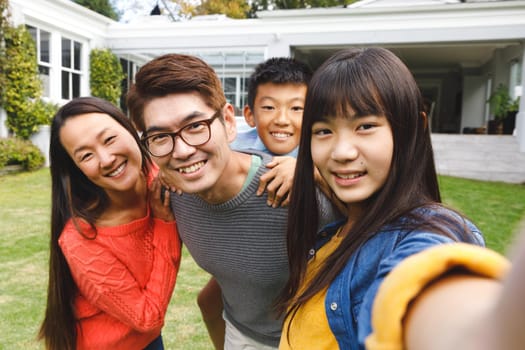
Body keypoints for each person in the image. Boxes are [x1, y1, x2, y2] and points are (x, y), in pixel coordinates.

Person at [275, 47, 513, 350]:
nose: (341, 152)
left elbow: (425, 284)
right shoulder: (332, 232)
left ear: (413, 129)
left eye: (365, 126)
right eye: (323, 131)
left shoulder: (428, 231)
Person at [126, 53, 339, 350]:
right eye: (160, 136)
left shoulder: (295, 192)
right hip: (239, 333)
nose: (183, 150)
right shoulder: (170, 192)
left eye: (195, 126)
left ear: (228, 121)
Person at [38, 97, 181, 350]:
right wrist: (163, 223)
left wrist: (277, 162)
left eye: (109, 139)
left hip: (146, 339)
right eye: (86, 156)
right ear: (76, 169)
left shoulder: (160, 178)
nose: (105, 159)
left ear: (129, 128)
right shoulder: (81, 240)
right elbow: (146, 317)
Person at [197, 56, 313, 349]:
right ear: (249, 115)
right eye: (269, 107)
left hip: (308, 258)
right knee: (208, 300)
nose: (282, 118)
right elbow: (205, 158)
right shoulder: (241, 146)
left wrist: (304, 171)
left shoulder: (318, 146)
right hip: (250, 256)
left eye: (297, 108)